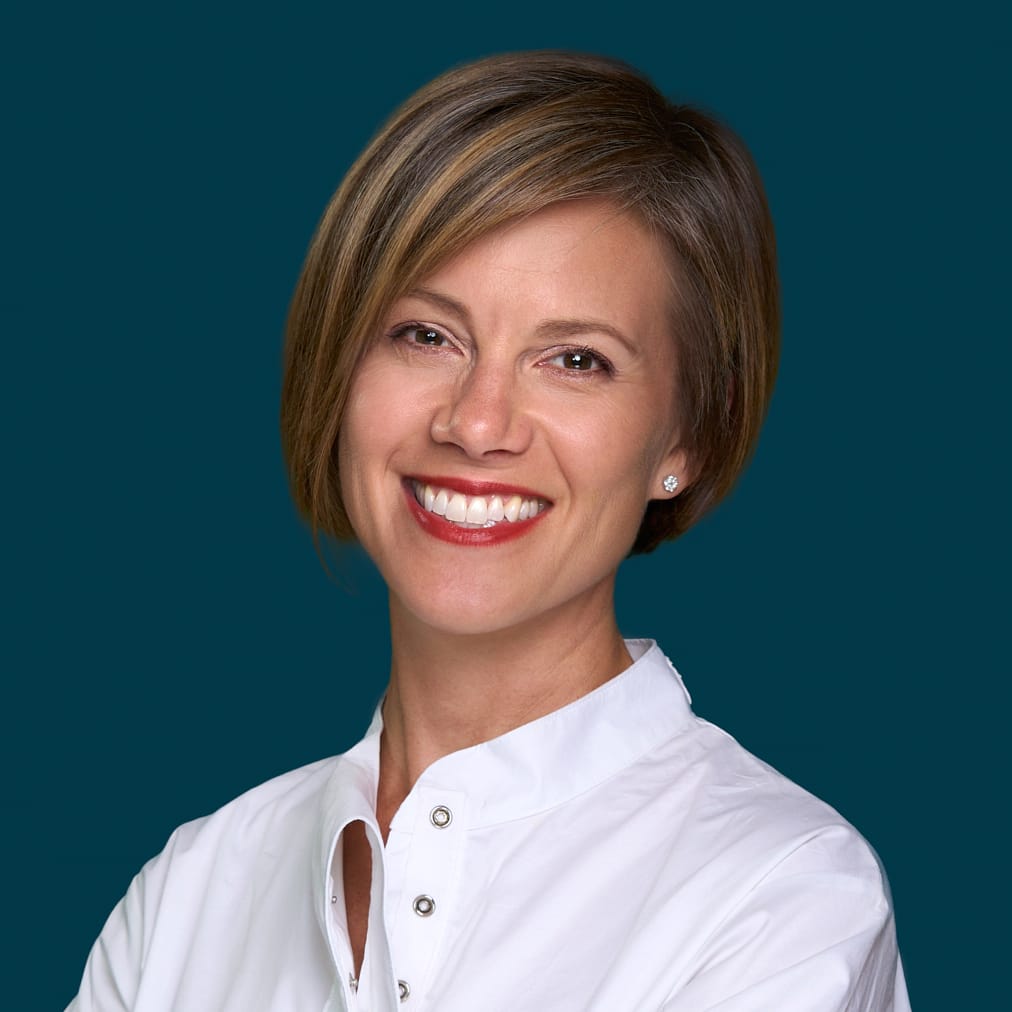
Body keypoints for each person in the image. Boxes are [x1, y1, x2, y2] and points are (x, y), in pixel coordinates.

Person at [68, 51, 909, 1011]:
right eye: (427, 335)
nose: (476, 423)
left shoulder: (781, 899)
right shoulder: (190, 894)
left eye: (576, 359)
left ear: (688, 437)